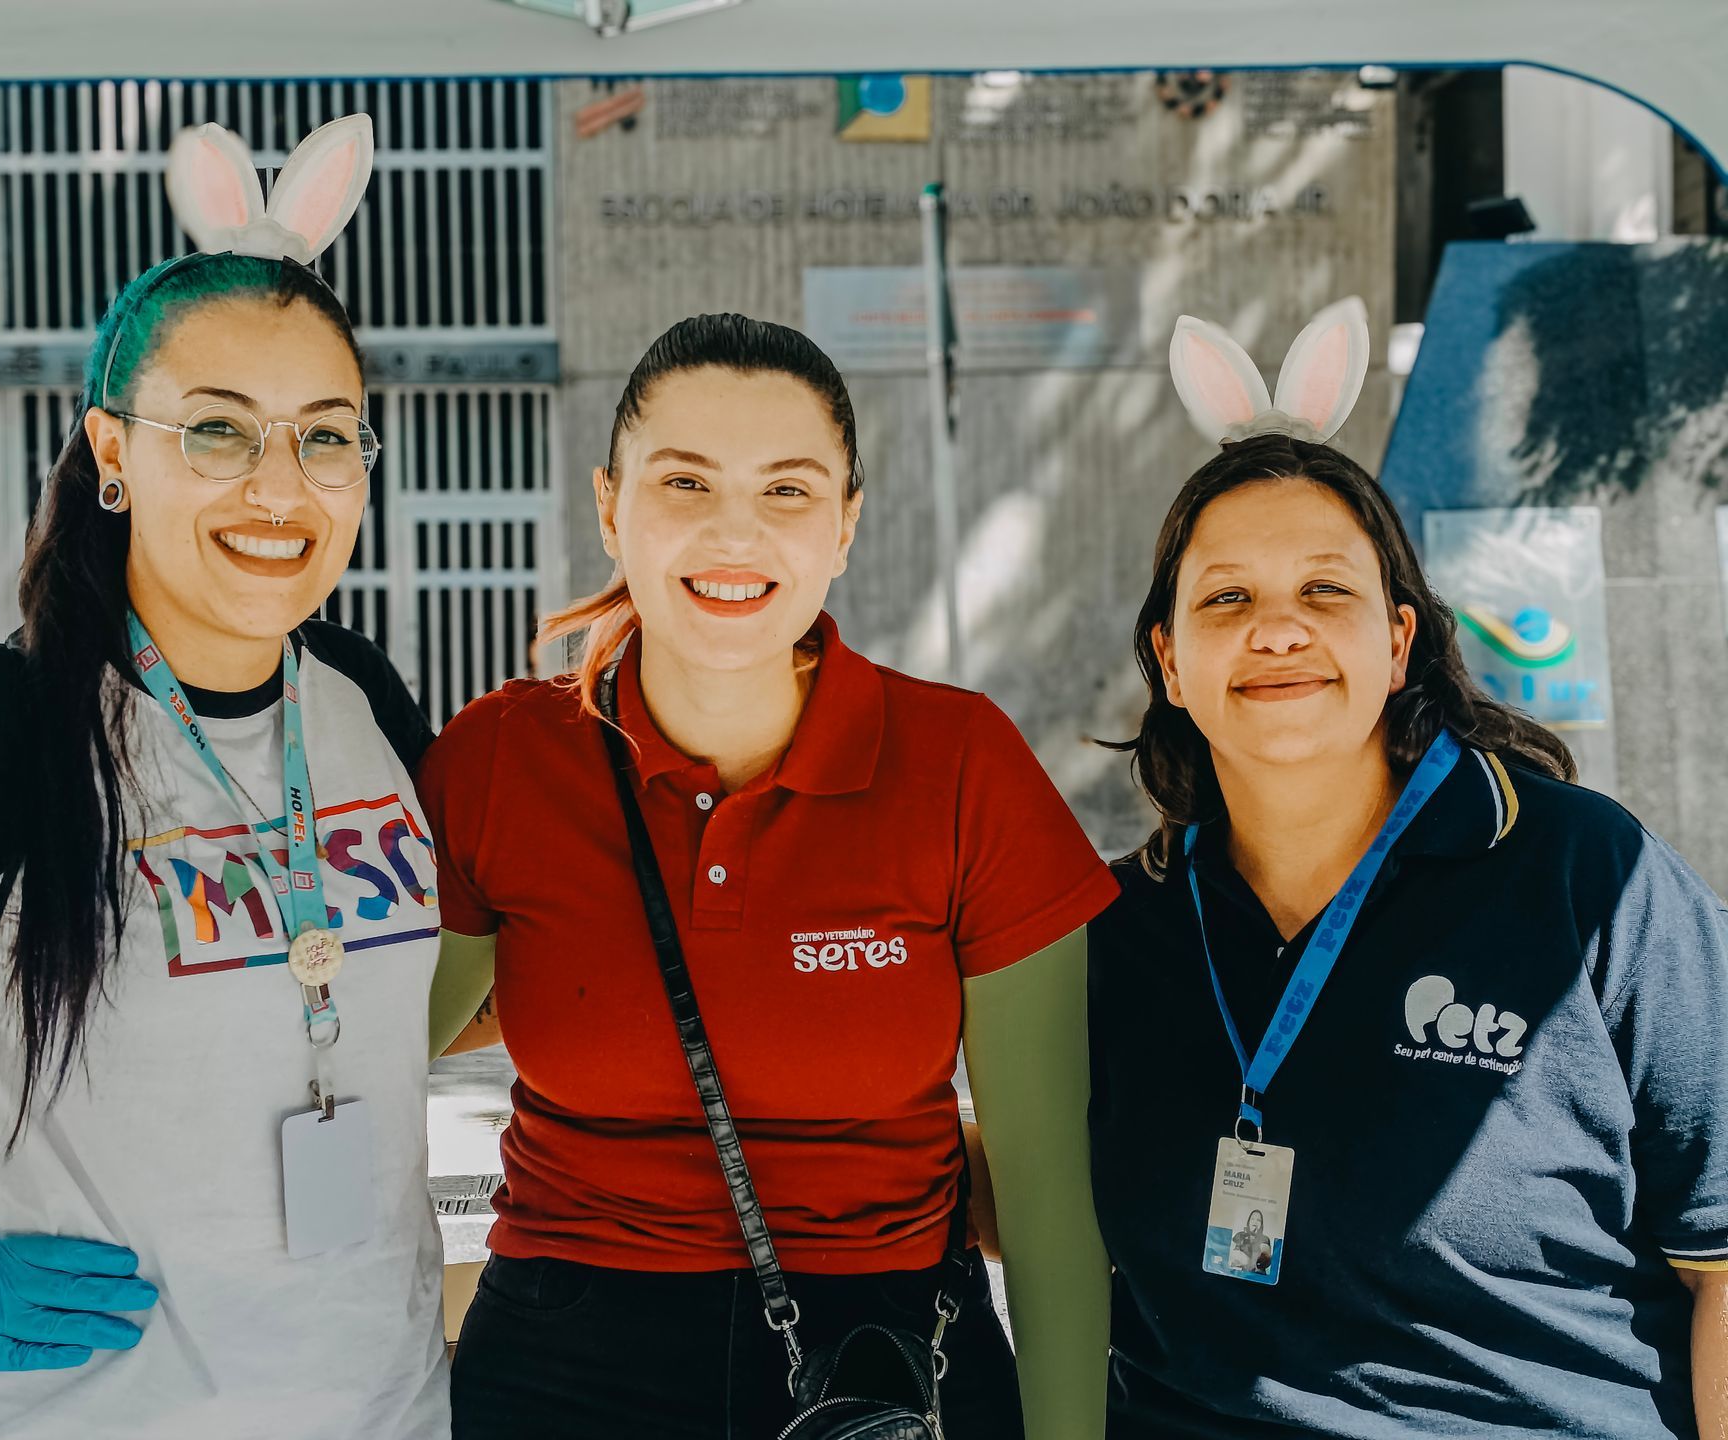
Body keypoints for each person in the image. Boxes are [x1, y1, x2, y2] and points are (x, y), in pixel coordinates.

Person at [0, 115, 452, 1440]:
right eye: (218, 431)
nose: (280, 487)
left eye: (327, 436)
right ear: (113, 454)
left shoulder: (359, 696)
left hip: (385, 1411)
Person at [418, 313, 1117, 1439]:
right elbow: (359, 1052)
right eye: (684, 482)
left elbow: (1046, 1193)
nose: (733, 532)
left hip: (889, 1357)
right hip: (567, 1353)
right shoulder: (502, 757)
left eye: (787, 490)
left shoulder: (960, 763)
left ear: (845, 525)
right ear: (611, 507)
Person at [1087, 297, 1728, 1437]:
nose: (1277, 628)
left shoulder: (1587, 876)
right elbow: (1026, 1187)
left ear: (1397, 641)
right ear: (1170, 662)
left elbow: (1722, 1260)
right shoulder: (1115, 928)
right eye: (1227, 597)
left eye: (1324, 590)